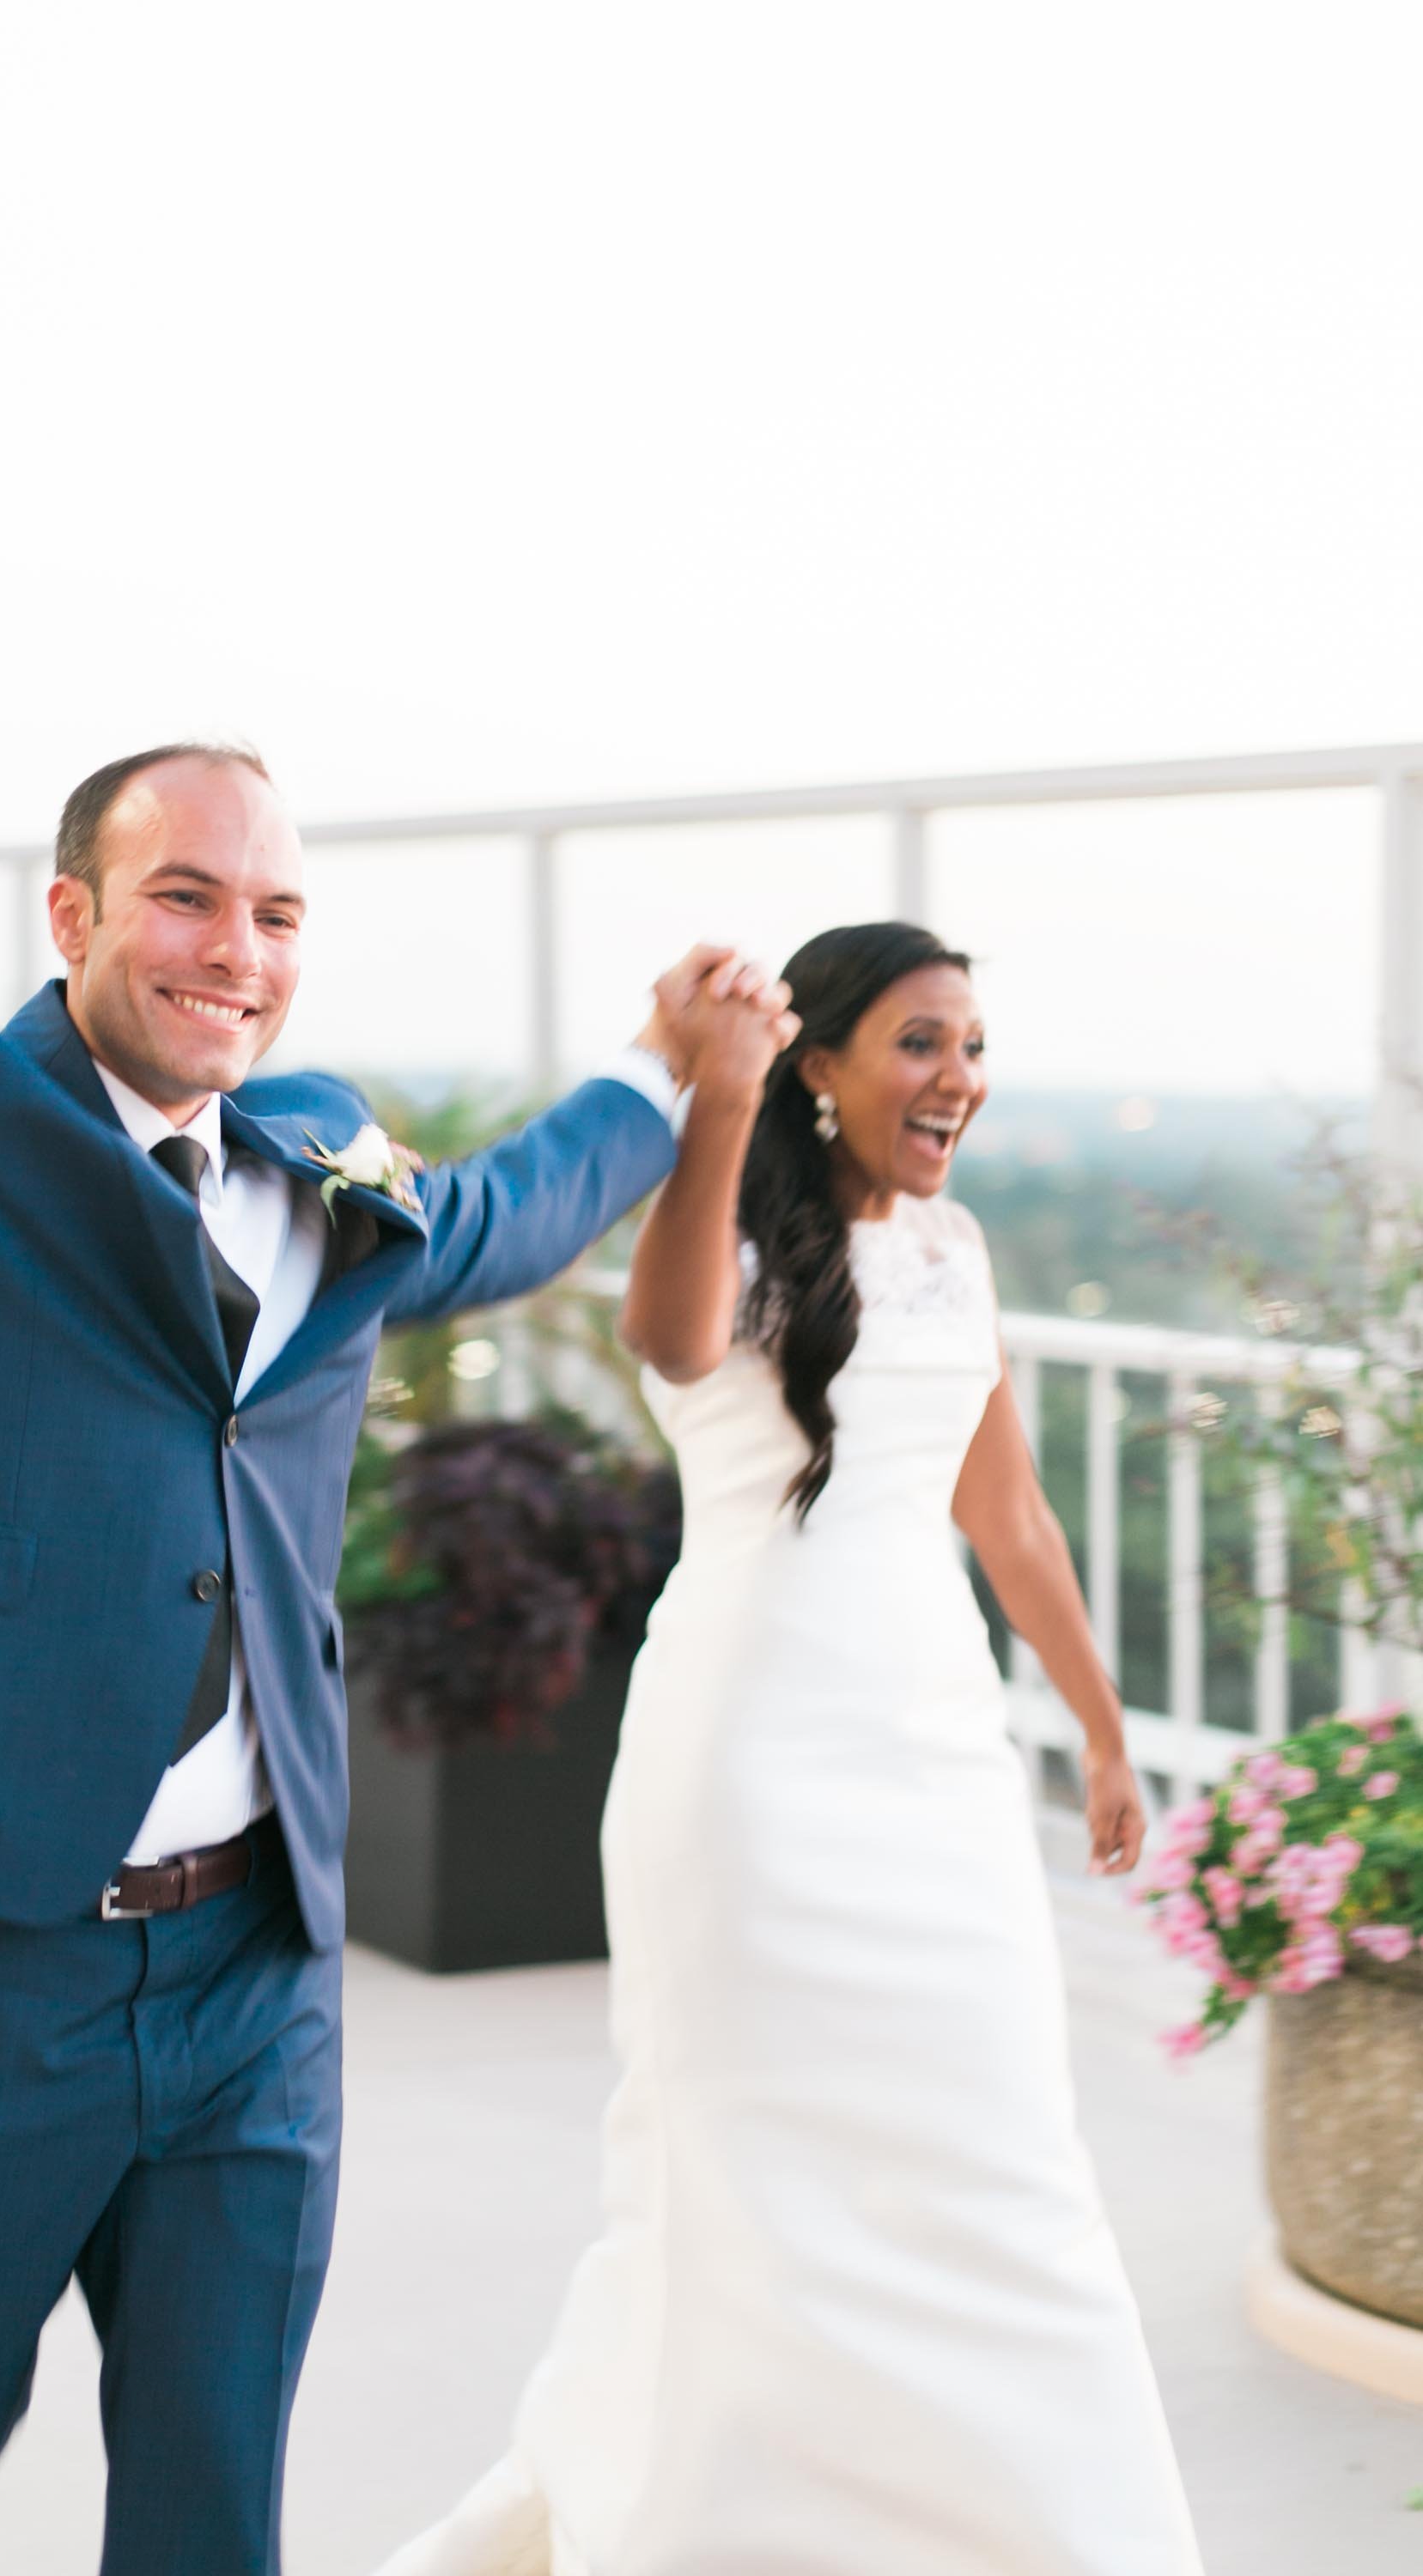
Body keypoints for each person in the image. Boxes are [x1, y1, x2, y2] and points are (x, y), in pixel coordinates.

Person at [0, 407, 796, 2576]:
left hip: (258, 1971)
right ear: (72, 909)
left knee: (214, 2514)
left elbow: (516, 1215)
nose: (236, 949)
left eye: (276, 914)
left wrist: (666, 1066)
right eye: (184, 898)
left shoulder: (314, 1164)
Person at [378, 921, 1203, 2576]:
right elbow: (674, 1343)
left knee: (995, 2152)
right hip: (752, 1759)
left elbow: (1012, 1516)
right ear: (815, 1068)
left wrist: (1106, 1735)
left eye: (970, 1042)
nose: (955, 1075)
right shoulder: (736, 1232)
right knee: (748, 2164)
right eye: (917, 1041)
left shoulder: (955, 1252)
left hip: (940, 1759)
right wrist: (711, 1100)